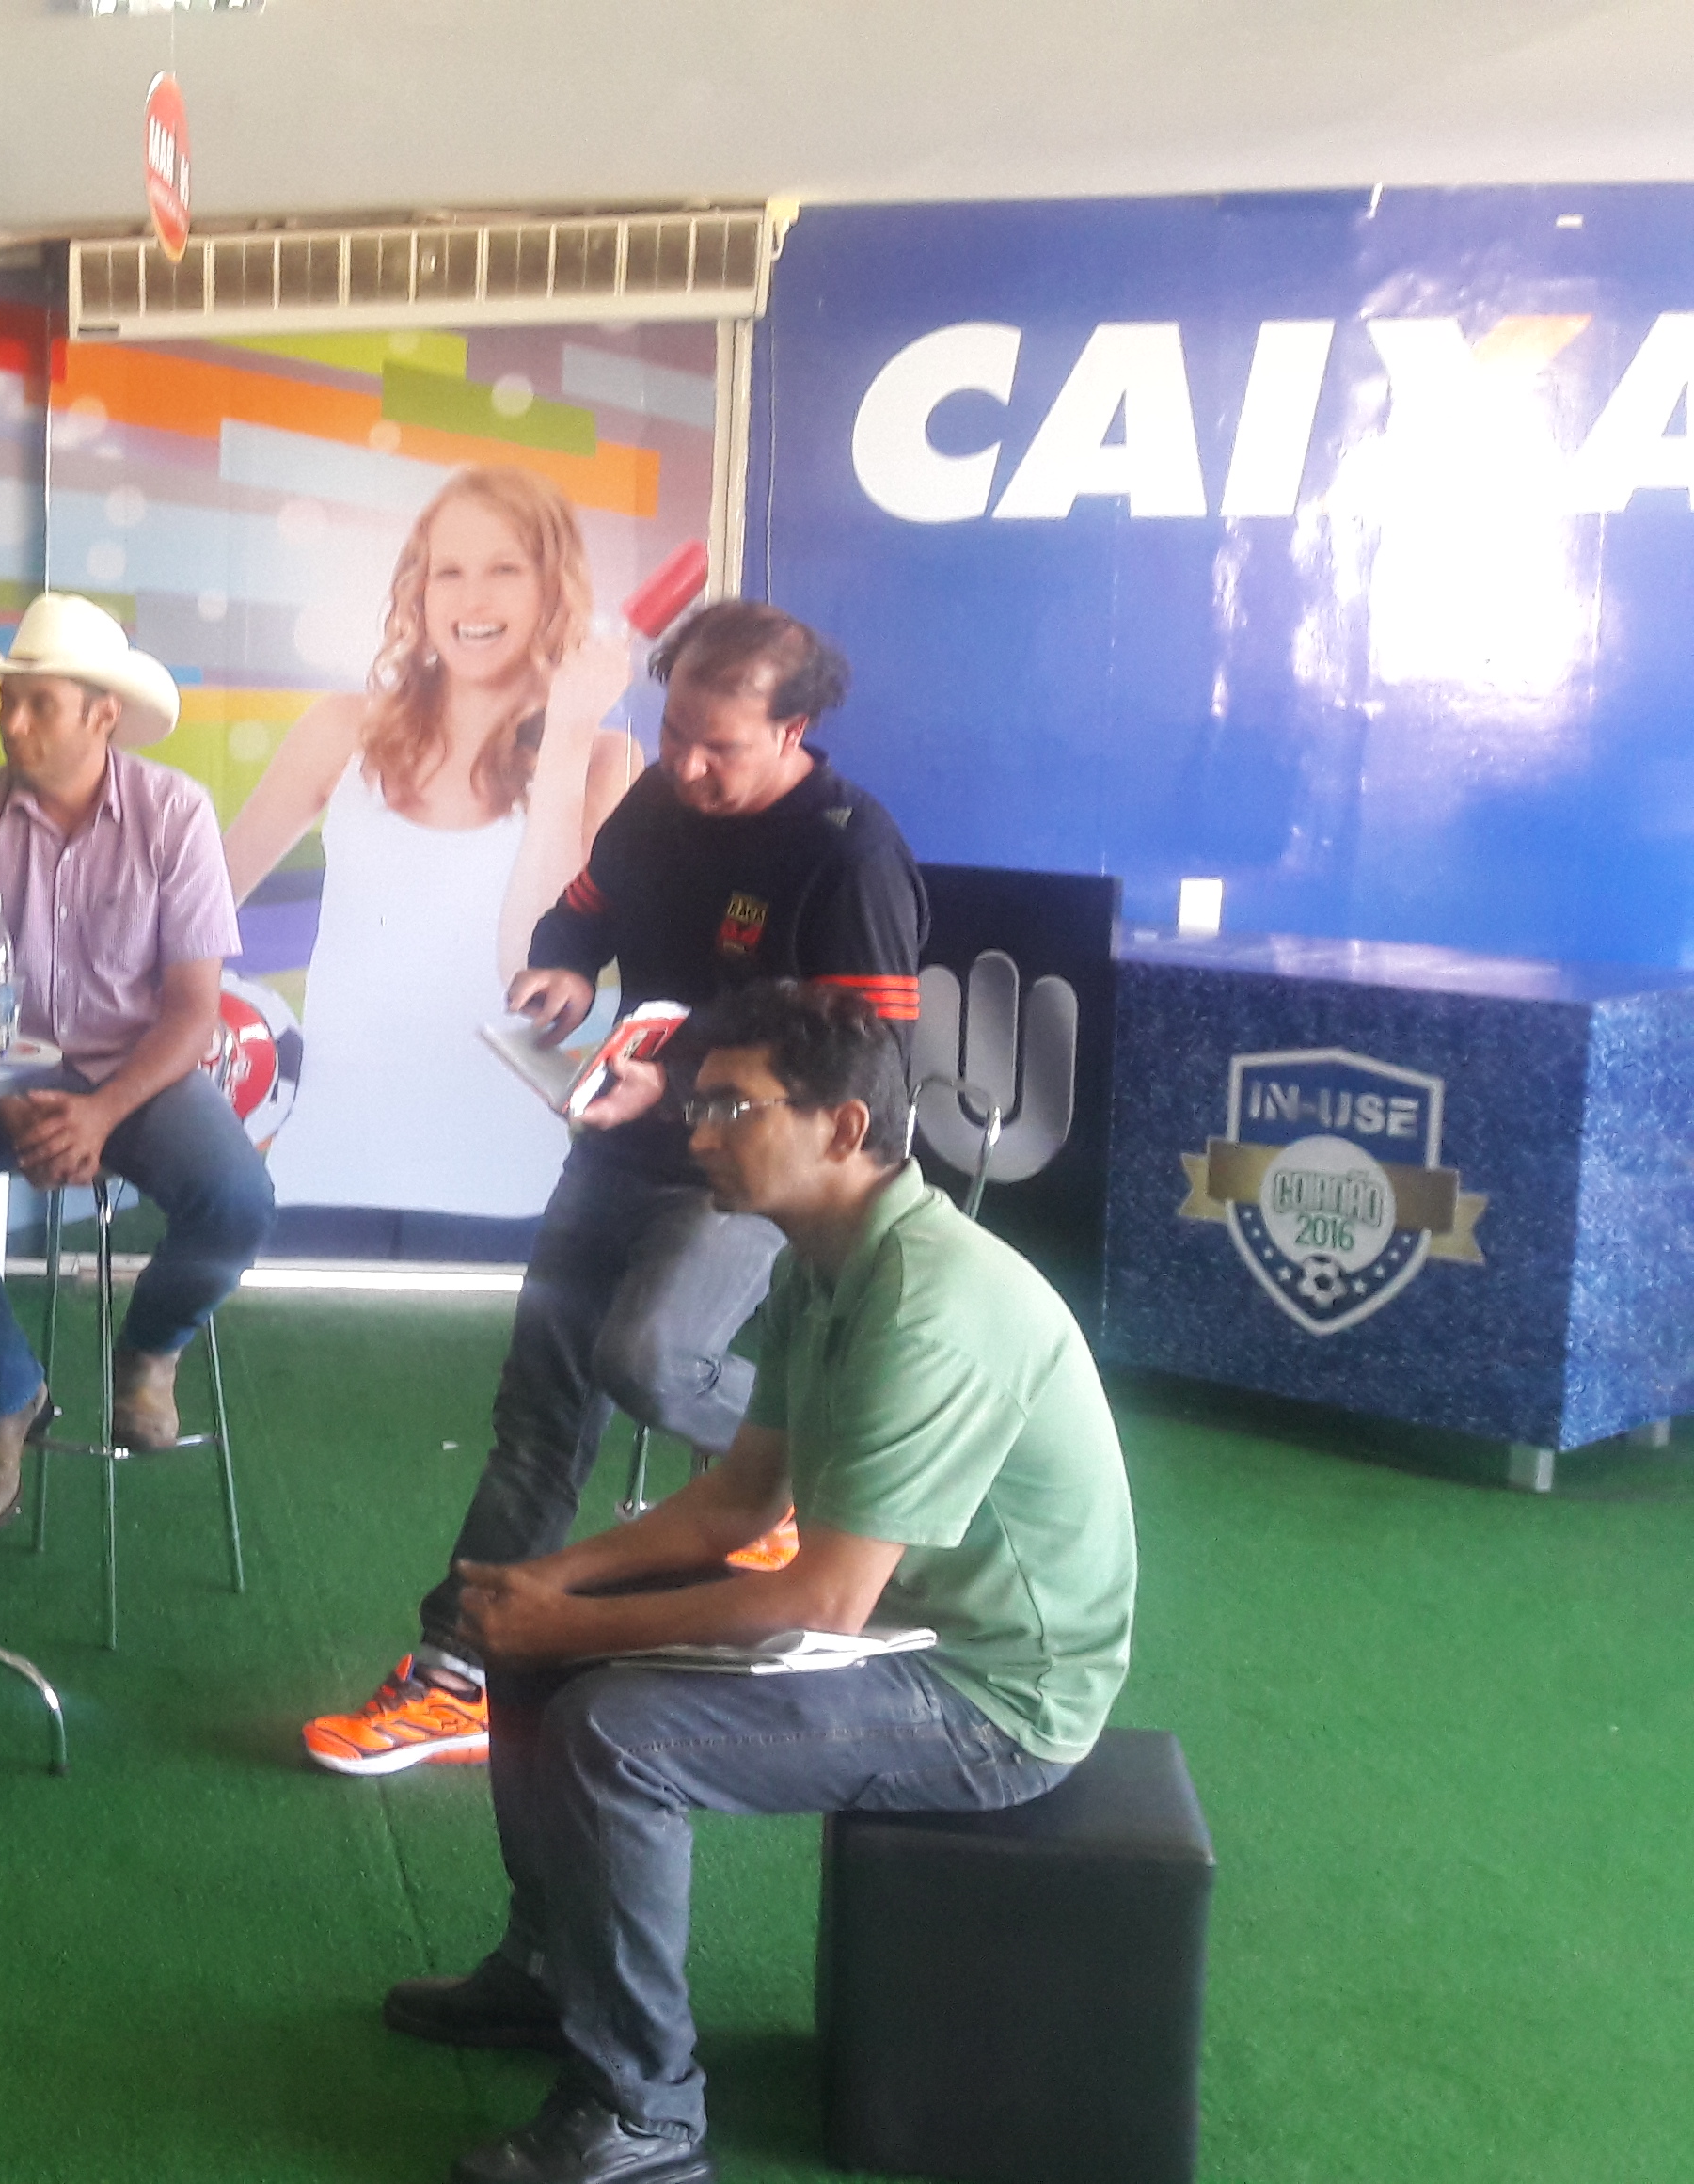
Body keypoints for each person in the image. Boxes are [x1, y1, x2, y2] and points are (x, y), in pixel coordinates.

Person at [380, 981, 1134, 2184]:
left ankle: (642, 2113)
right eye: (698, 1106)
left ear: (844, 1127)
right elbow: (740, 1502)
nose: (697, 1135)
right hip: (899, 1632)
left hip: (998, 1697)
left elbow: (821, 1598)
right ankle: (549, 1970)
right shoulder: (817, 1263)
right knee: (538, 1653)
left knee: (612, 1736)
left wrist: (566, 1625)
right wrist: (545, 1585)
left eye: (732, 1107)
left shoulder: (931, 1301)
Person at [304, 601, 926, 1776]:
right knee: (537, 1416)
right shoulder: (655, 802)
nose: (684, 765)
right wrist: (565, 972)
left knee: (647, 1359)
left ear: (793, 730)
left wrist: (685, 1085)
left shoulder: (852, 855)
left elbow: (874, 1073)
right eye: (675, 731)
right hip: (615, 1143)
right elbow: (580, 915)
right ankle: (457, 1675)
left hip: (750, 1175)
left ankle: (794, 1482)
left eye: (717, 748)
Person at [0, 594, 277, 1536]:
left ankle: (150, 1348)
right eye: (6, 702)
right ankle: (3, 1391)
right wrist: (17, 1110)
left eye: (38, 705)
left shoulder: (176, 813)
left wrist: (99, 1113)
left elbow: (192, 1013)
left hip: (138, 1079)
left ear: (104, 715)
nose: (12, 723)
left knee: (240, 1200)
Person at [222, 466, 641, 1223]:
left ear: (553, 588)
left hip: (512, 1187)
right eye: (449, 572)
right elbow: (202, 909)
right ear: (419, 590)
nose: (472, 600)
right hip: (326, 1170)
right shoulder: (339, 731)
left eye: (504, 570)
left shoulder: (605, 759)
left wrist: (568, 734)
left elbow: (536, 974)